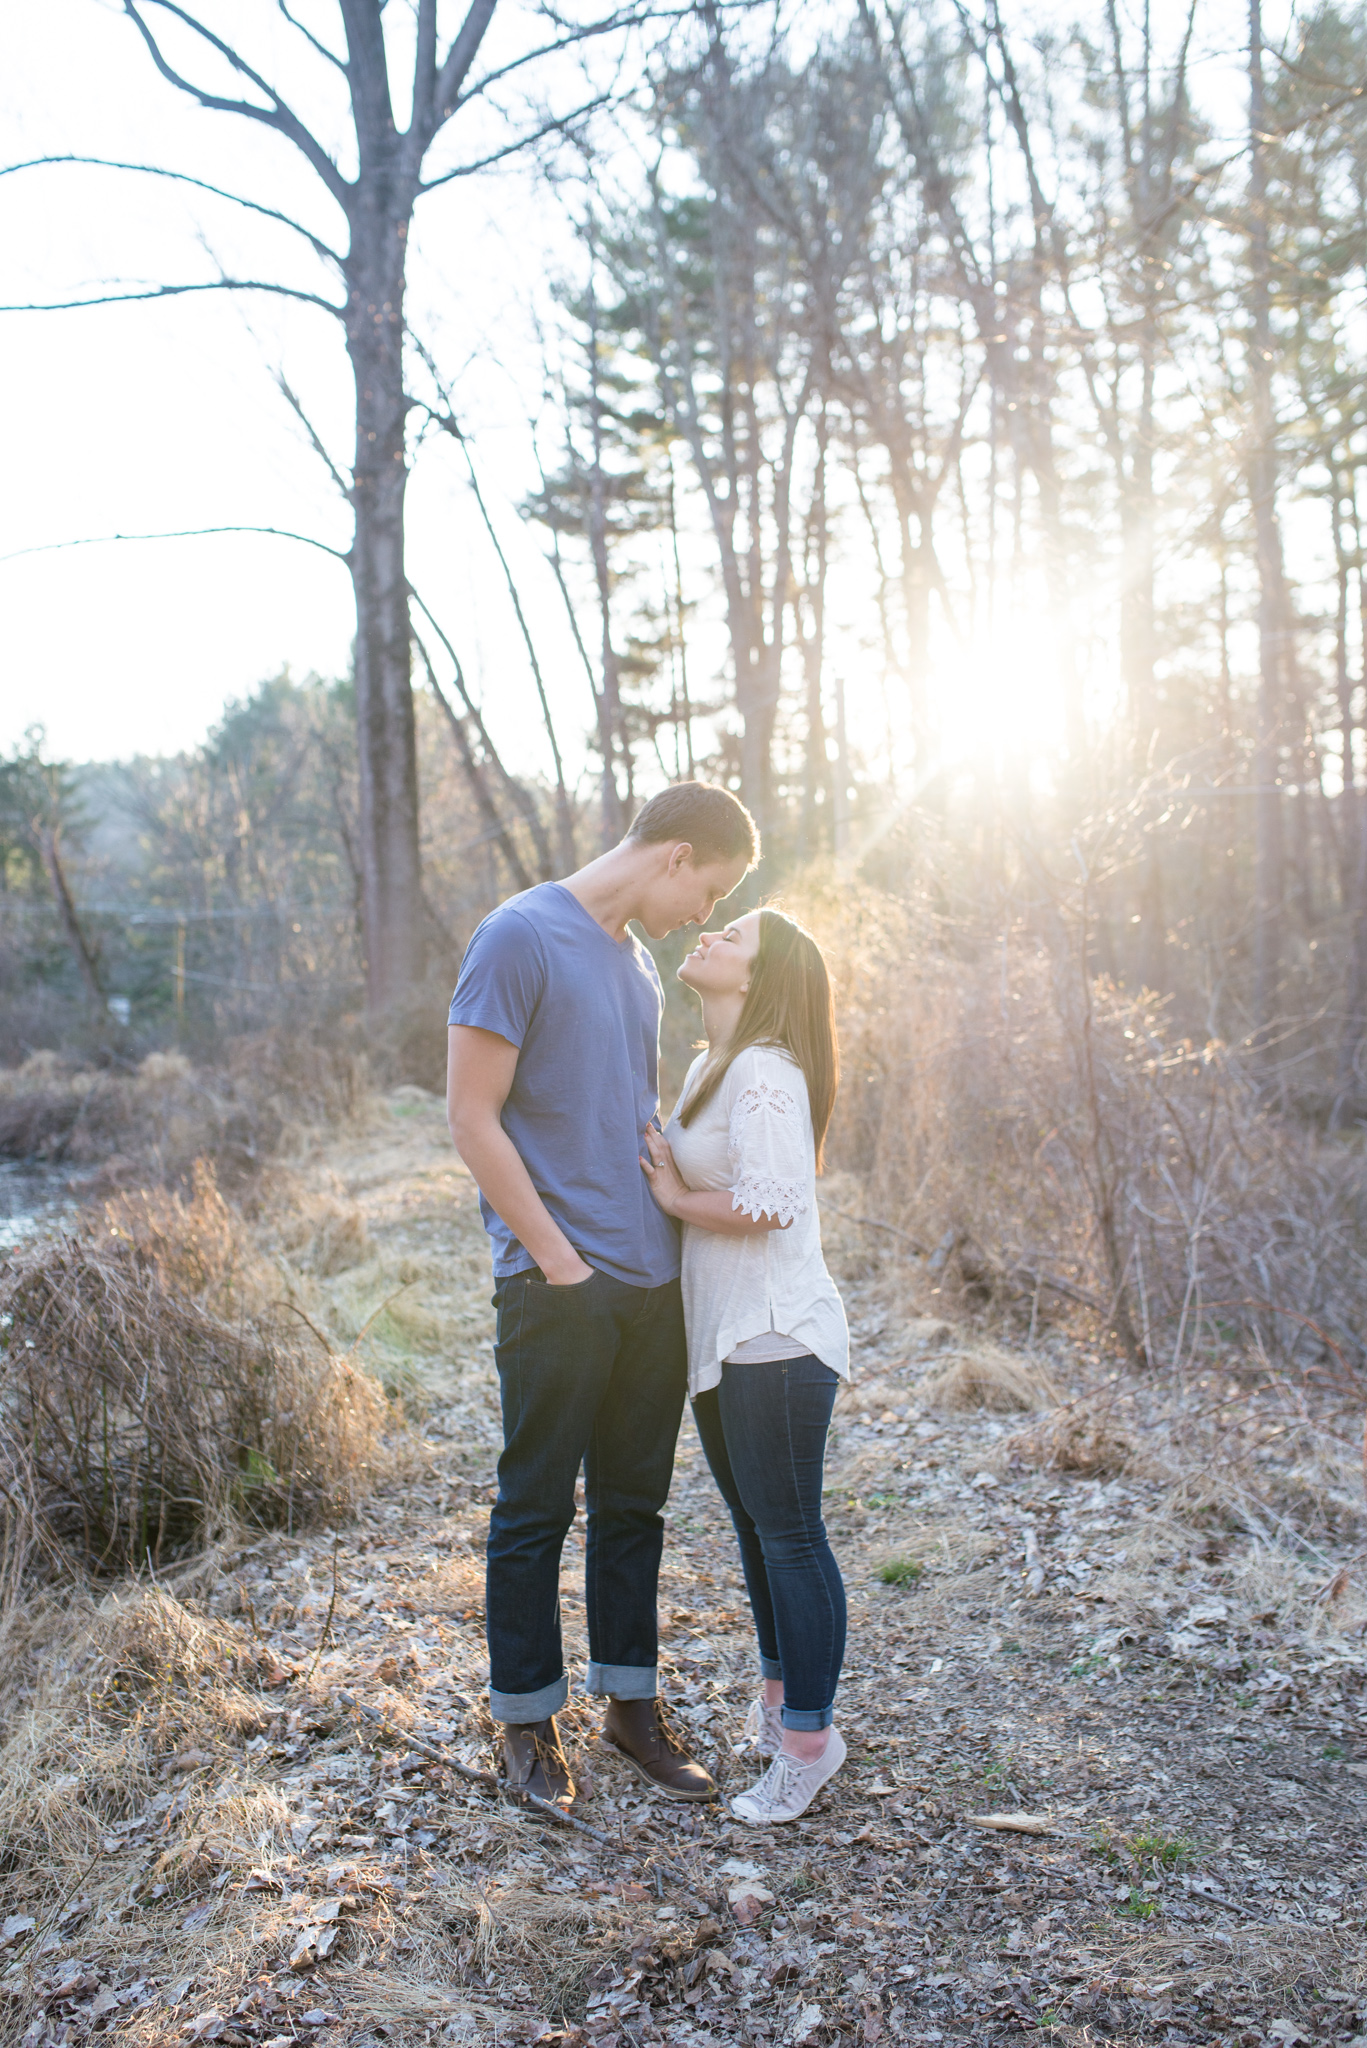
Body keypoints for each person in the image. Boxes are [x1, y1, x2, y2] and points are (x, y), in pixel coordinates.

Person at [446, 781, 758, 1811]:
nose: (701, 918)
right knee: (534, 1504)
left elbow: (618, 1113)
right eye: (706, 890)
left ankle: (629, 1706)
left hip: (649, 1275)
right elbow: (473, 1117)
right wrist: (556, 1257)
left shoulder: (636, 968)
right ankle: (527, 1724)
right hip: (557, 1280)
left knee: (634, 1506)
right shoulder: (518, 935)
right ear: (673, 855)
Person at [641, 907, 850, 1826]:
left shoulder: (765, 1069)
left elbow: (770, 1202)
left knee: (790, 1535)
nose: (709, 938)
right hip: (728, 1339)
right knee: (757, 1529)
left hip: (776, 1339)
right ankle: (779, 1709)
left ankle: (808, 1745)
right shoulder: (709, 1065)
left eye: (731, 937)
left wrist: (673, 1194)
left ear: (755, 979)